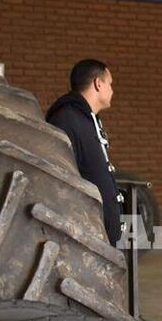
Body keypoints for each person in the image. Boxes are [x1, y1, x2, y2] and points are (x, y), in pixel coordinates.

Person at [47, 59, 124, 245]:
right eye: (110, 84)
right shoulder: (66, 120)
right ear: (98, 83)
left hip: (102, 239)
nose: (112, 90)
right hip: (86, 241)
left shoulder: (88, 120)